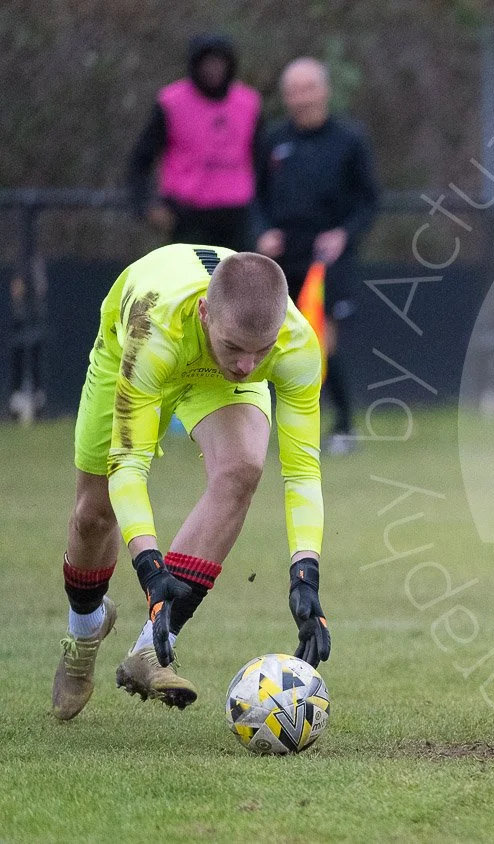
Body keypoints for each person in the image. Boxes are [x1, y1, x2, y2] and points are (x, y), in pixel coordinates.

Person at [51, 245, 331, 721]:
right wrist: (149, 566)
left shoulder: (294, 343)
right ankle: (85, 628)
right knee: (94, 515)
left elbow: (302, 469)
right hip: (138, 351)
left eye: (261, 352)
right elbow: (129, 463)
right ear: (205, 313)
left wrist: (306, 572)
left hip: (208, 367)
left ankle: (149, 652)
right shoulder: (151, 329)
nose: (248, 365)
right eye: (237, 349)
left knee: (242, 467)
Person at [255, 57, 380, 454]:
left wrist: (343, 234)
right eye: (293, 91)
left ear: (324, 91)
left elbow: (369, 201)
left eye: (308, 89)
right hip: (280, 260)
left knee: (322, 341)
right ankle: (272, 428)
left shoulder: (350, 139)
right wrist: (263, 232)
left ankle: (342, 426)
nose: (301, 98)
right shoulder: (273, 141)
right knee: (272, 344)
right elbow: (253, 197)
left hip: (327, 261)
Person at [127, 34, 260, 252]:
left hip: (237, 218)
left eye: (219, 62)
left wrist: (261, 217)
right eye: (206, 62)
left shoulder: (249, 103)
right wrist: (146, 205)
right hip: (187, 216)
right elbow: (141, 159)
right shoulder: (171, 103)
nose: (213, 69)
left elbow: (261, 160)